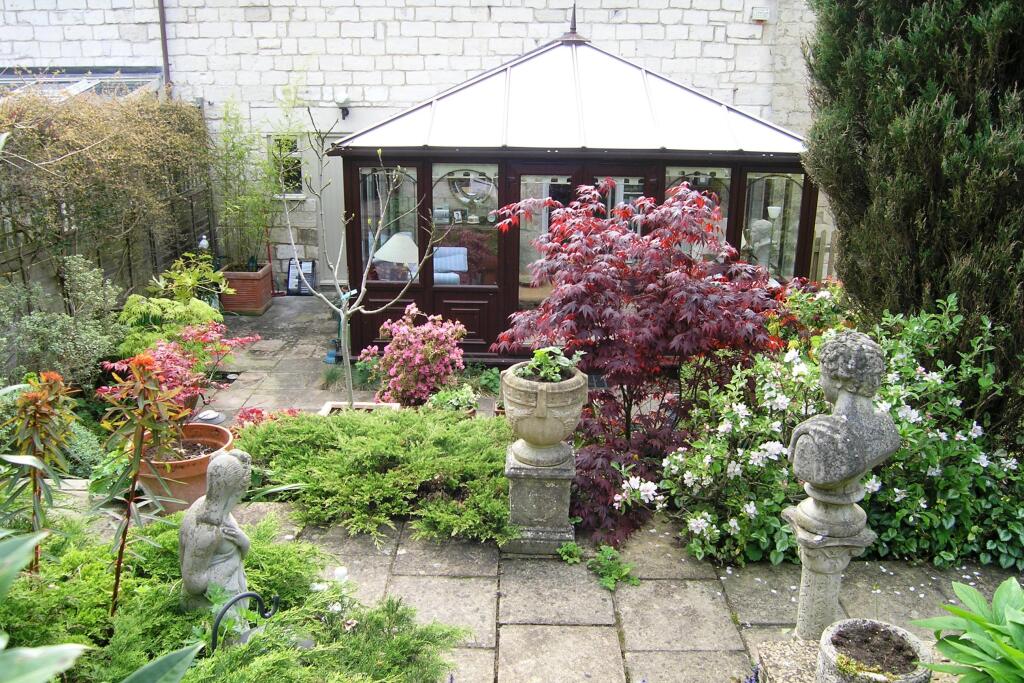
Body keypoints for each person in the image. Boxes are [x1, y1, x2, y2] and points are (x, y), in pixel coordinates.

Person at [179, 449, 252, 623]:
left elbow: (236, 549)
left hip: (227, 593)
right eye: (242, 491)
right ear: (234, 491)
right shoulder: (207, 531)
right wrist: (232, 563)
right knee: (238, 638)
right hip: (212, 604)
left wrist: (244, 542)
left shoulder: (214, 511)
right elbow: (193, 584)